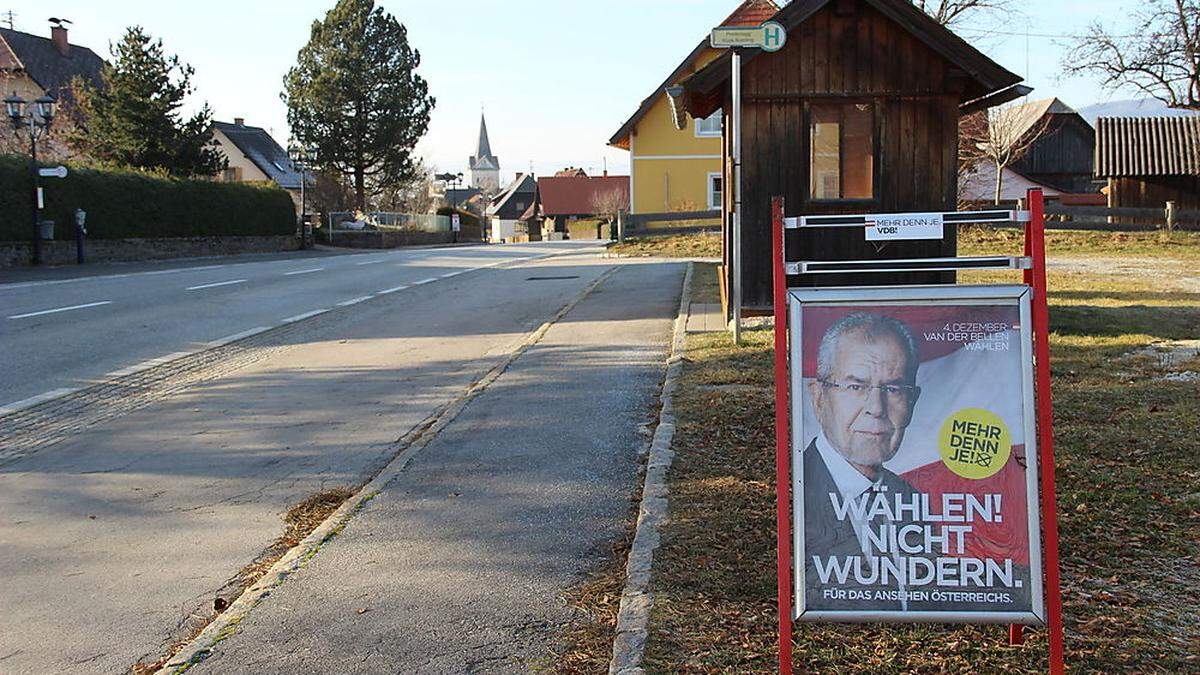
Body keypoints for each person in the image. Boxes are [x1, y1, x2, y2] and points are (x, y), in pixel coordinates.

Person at [802, 312, 924, 612]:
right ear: (818, 398)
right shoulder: (796, 492)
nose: (876, 408)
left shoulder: (912, 500)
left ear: (912, 401)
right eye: (856, 387)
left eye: (893, 389)